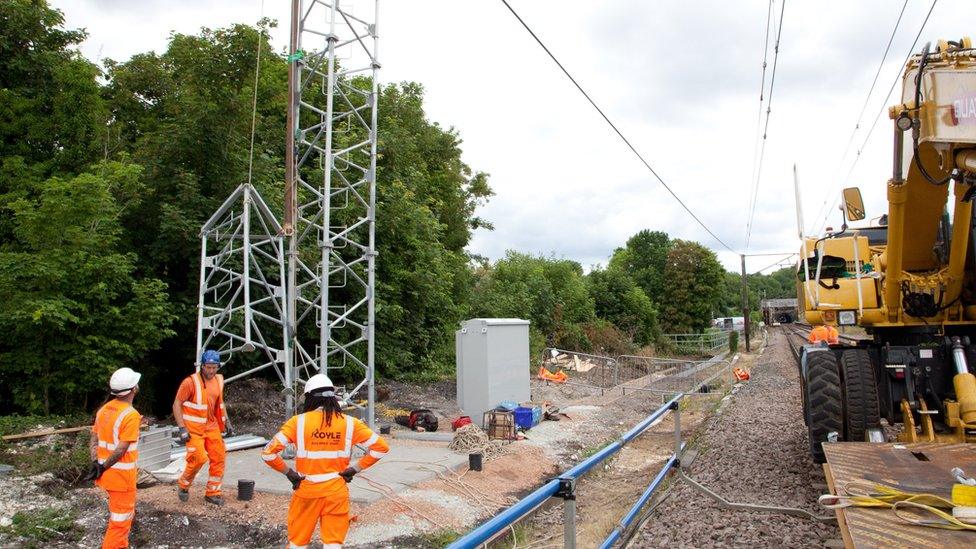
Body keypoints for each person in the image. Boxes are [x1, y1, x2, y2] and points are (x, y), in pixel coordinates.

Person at [262, 374, 389, 548]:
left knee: (297, 543)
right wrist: (354, 469)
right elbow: (381, 447)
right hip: (336, 492)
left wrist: (290, 474)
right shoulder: (350, 423)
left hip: (306, 492)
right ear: (333, 398)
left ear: (309, 398)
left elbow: (268, 453)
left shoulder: (297, 423)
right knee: (333, 544)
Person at [88, 367, 142, 549]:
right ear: (134, 389)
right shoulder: (131, 415)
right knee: (120, 522)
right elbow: (121, 449)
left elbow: (94, 438)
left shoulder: (104, 410)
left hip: (108, 477)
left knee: (119, 519)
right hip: (122, 479)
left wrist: (96, 463)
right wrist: (103, 467)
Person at [173, 349, 233, 505]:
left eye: (214, 367)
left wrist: (226, 420)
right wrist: (182, 428)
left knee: (219, 456)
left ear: (218, 367)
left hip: (211, 426)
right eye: (208, 367)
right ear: (202, 366)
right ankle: (184, 484)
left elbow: (220, 402)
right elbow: (177, 404)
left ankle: (213, 492)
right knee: (198, 458)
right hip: (193, 428)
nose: (211, 370)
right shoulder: (190, 382)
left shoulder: (219, 380)